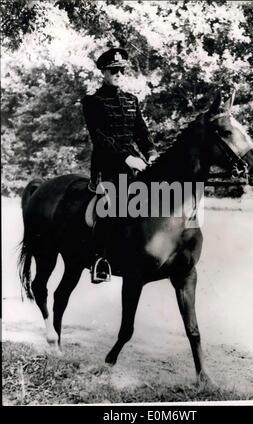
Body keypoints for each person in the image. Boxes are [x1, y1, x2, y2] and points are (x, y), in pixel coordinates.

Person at [82, 47, 157, 284]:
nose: (118, 74)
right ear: (103, 72)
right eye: (113, 70)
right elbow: (101, 138)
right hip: (107, 165)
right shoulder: (92, 102)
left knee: (159, 195)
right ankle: (100, 259)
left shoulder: (131, 101)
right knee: (110, 205)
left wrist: (152, 154)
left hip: (135, 162)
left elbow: (142, 134)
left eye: (121, 70)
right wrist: (126, 158)